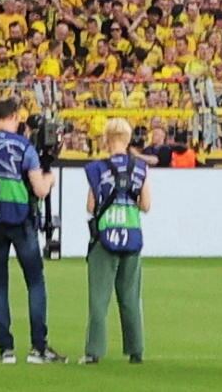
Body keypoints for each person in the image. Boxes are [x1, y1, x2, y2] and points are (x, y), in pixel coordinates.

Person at [0, 102, 53, 365]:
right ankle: (38, 347)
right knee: (35, 281)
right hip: (20, 218)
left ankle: (5, 348)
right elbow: (40, 189)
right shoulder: (23, 147)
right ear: (13, 117)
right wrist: (50, 177)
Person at [75, 117, 151, 367]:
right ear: (128, 140)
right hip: (131, 233)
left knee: (99, 298)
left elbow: (90, 205)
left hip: (105, 236)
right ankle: (136, 349)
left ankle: (94, 351)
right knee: (130, 296)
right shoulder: (140, 167)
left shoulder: (97, 169)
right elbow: (146, 205)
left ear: (107, 139)